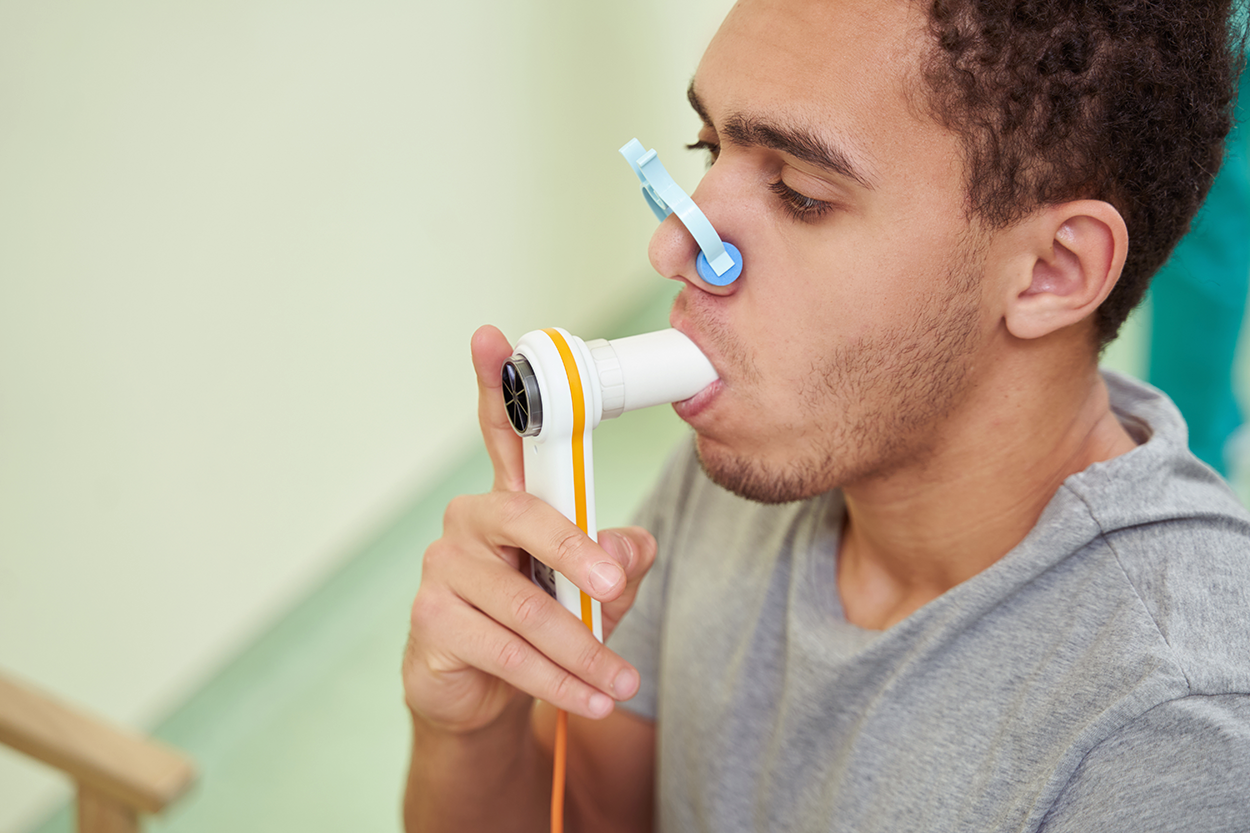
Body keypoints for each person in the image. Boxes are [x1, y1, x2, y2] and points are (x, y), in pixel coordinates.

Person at [402, 1, 1250, 831]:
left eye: (802, 191)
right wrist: (473, 730)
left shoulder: (1170, 740)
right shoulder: (746, 466)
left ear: (1051, 273)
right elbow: (587, 814)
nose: (669, 248)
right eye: (709, 148)